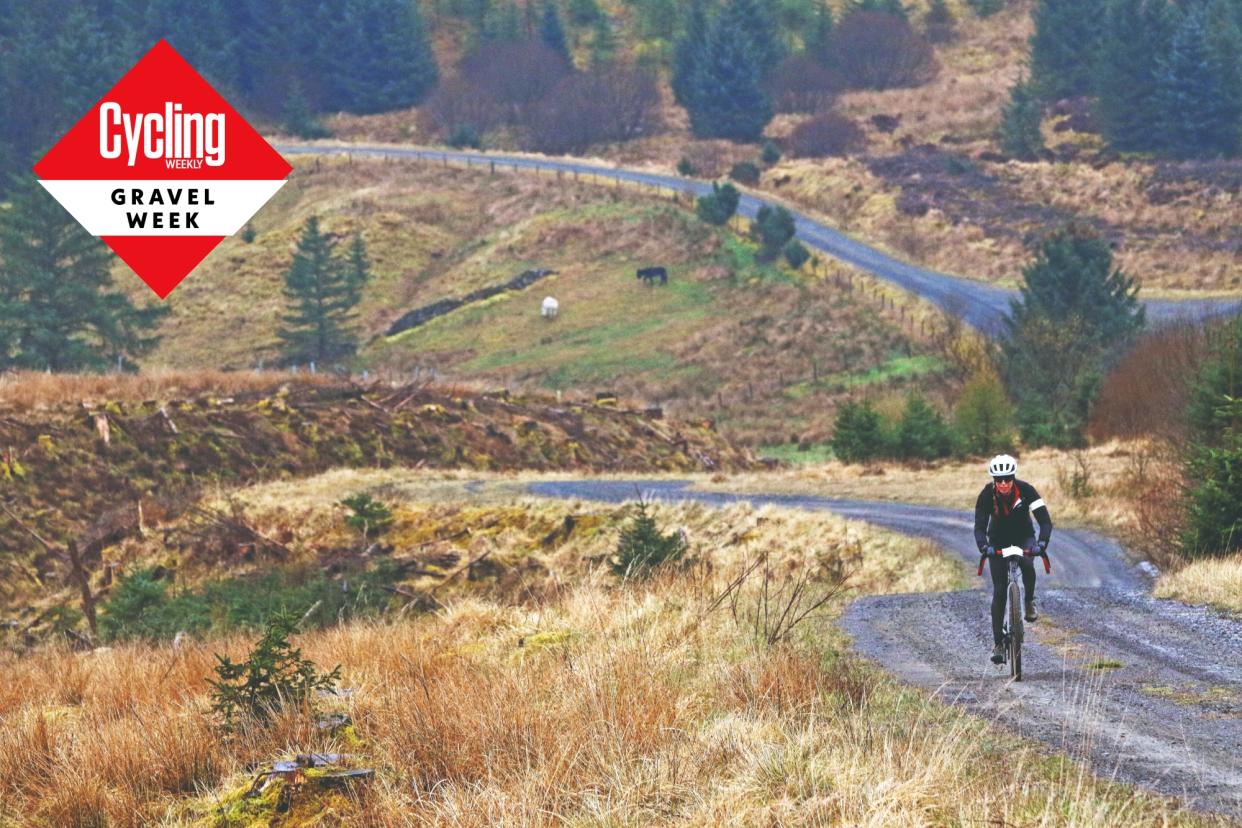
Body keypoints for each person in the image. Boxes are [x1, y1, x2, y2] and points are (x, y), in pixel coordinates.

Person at [974, 454, 1052, 665]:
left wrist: (1042, 543)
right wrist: (984, 547)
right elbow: (979, 527)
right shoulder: (985, 495)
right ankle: (998, 643)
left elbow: (1045, 521)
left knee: (1027, 562)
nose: (1004, 484)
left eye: (1008, 479)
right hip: (997, 541)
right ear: (994, 481)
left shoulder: (1026, 490)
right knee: (999, 591)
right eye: (999, 480)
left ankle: (1028, 602)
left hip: (1023, 536)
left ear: (1013, 477)